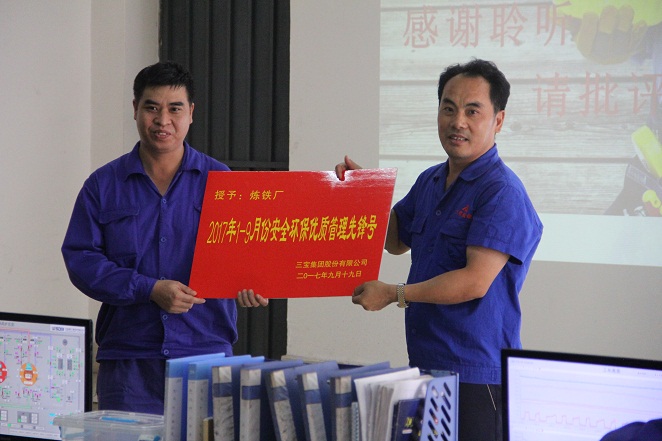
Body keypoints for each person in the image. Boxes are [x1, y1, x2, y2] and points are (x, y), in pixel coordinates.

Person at [335, 59, 543, 441]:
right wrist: (363, 195)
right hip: (425, 365)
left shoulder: (501, 191)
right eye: (448, 108)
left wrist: (394, 294)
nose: (457, 121)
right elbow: (395, 241)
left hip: (476, 376)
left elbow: (474, 282)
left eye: (472, 111)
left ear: (498, 120)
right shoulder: (431, 180)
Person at [62, 61, 268, 415]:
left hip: (205, 357)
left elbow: (249, 255)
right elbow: (82, 261)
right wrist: (148, 288)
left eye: (175, 109)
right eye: (151, 108)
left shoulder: (223, 182)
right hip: (128, 363)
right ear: (135, 109)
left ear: (191, 113)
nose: (162, 120)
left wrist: (254, 283)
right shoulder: (103, 185)